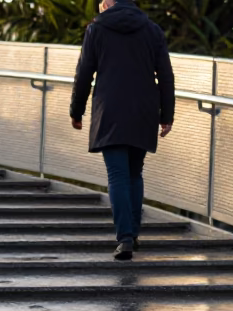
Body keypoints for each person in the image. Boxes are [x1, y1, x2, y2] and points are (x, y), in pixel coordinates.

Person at [69, 0, 175, 261]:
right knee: (134, 173)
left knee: (117, 174)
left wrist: (76, 110)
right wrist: (167, 114)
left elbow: (84, 73)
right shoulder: (152, 30)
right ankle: (133, 234)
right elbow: (166, 75)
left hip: (110, 109)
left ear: (107, 3)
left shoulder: (96, 29)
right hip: (143, 109)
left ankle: (125, 238)